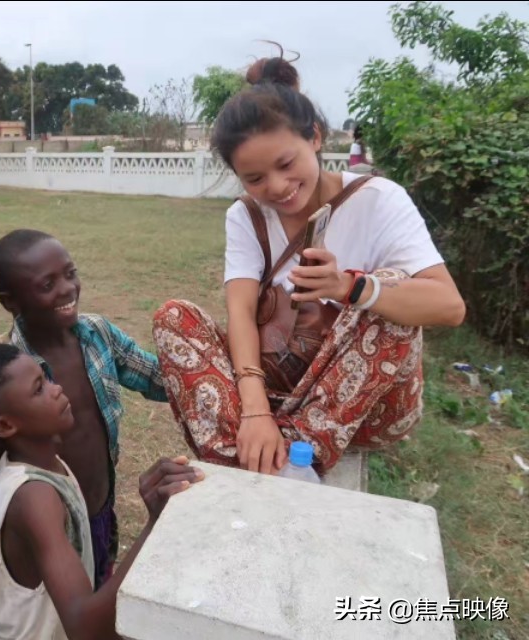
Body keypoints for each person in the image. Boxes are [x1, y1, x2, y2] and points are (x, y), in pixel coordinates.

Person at [152, 55, 466, 476]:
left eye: (286, 164)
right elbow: (241, 312)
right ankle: (262, 453)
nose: (277, 188)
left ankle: (296, 453)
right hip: (275, 388)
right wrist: (256, 412)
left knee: (390, 288)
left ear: (315, 137)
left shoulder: (380, 199)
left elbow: (449, 306)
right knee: (174, 317)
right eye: (255, 178)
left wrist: (350, 287)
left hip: (363, 409)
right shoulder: (246, 217)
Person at [0, 344, 204, 640]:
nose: (56, 389)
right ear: (6, 425)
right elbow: (86, 630)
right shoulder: (35, 498)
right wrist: (153, 524)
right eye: (38, 389)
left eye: (46, 378)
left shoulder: (43, 463)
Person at [0, 229, 167, 590]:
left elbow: (154, 377)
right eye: (47, 284)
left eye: (70, 274)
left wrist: (214, 376)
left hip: (101, 504)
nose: (67, 289)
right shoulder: (7, 371)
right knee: (62, 608)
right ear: (11, 302)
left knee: (102, 580)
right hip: (51, 522)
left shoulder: (97, 332)